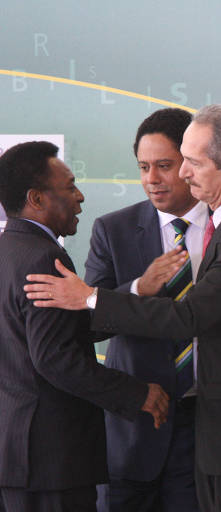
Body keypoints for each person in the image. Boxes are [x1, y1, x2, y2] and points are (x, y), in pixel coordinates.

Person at [25, 105, 221, 512]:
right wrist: (134, 289)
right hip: (142, 423)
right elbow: (85, 325)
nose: (159, 177)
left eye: (174, 164)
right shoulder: (114, 229)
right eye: (143, 166)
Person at [0, 141, 169, 512]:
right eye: (70, 186)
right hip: (51, 462)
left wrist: (134, 292)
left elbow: (64, 328)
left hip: (19, 457)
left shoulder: (8, 249)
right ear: (37, 199)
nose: (80, 197)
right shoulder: (44, 257)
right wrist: (136, 393)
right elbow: (54, 358)